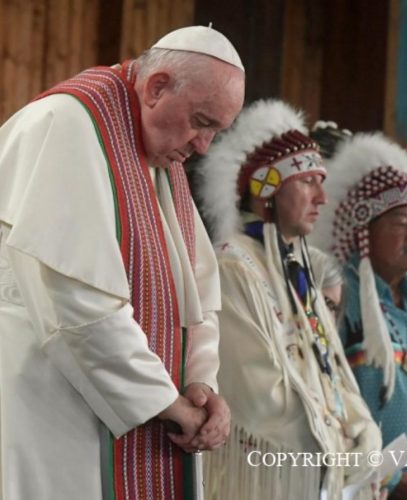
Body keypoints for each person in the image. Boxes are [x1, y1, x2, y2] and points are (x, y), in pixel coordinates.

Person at [0, 25, 245, 500]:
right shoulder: (64, 126)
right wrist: (166, 402)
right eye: (201, 122)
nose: (204, 147)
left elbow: (194, 295)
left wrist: (200, 384)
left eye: (217, 130)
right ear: (156, 88)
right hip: (49, 407)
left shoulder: (161, 157)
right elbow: (77, 305)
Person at [196, 99, 382, 499]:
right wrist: (338, 440)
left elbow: (330, 370)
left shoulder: (298, 273)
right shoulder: (233, 269)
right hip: (267, 479)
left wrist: (364, 430)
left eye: (322, 182)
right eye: (308, 181)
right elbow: (258, 398)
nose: (322, 197)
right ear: (265, 187)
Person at [309, 132, 407, 498]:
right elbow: (323, 399)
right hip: (365, 488)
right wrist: (393, 480)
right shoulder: (339, 297)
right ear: (365, 231)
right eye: (400, 223)